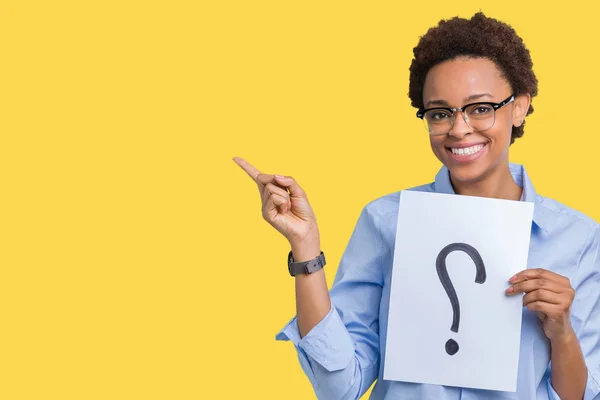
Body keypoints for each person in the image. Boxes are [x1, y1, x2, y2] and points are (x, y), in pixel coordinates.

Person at [233, 12, 600, 400]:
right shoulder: (386, 221)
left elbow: (578, 395)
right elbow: (340, 386)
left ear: (520, 107)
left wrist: (561, 332)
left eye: (480, 108)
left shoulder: (578, 238)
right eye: (440, 114)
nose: (458, 129)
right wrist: (305, 249)